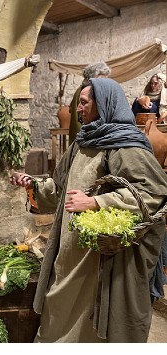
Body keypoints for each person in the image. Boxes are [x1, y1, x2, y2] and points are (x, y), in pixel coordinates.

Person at [10, 78, 167, 342]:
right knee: (60, 308)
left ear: (102, 104)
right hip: (72, 250)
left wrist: (96, 202)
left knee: (94, 320)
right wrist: (34, 185)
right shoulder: (83, 142)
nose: (78, 110)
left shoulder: (125, 145)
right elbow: (62, 190)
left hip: (102, 258)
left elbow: (152, 192)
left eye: (83, 103)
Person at [68, 62, 111, 144]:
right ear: (93, 77)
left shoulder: (85, 90)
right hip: (84, 137)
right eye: (102, 78)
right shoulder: (86, 91)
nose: (105, 82)